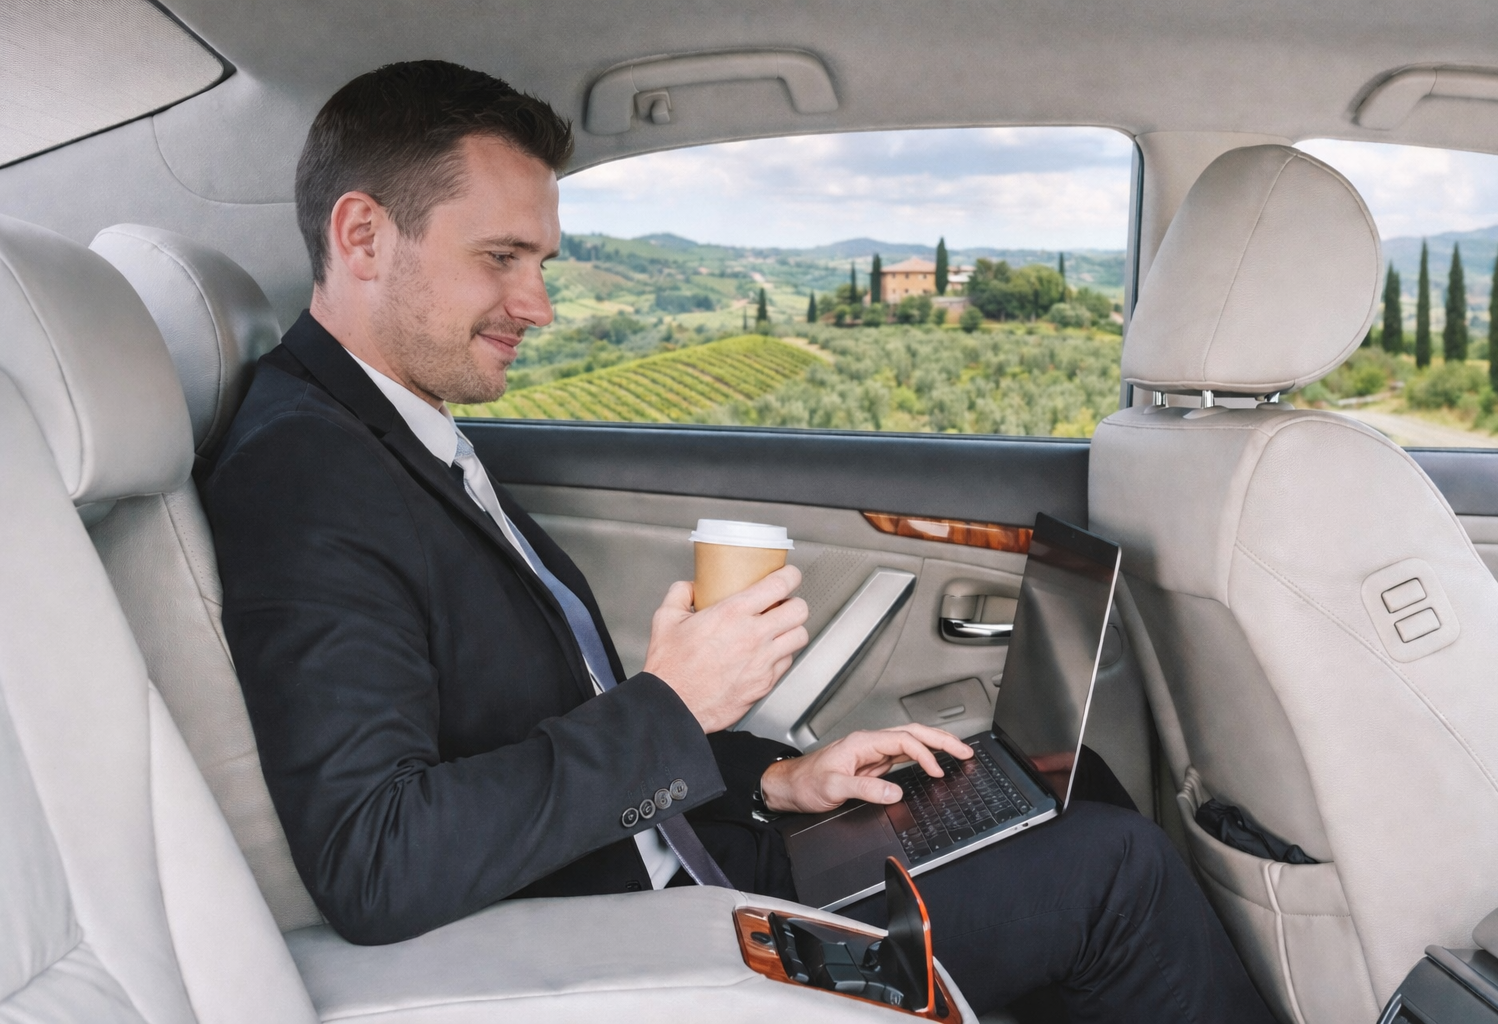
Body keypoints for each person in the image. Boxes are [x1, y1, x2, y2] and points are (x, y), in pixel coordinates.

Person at [203, 60, 1275, 1022]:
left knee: (1067, 782)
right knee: (1115, 872)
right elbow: (375, 859)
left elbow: (518, 721)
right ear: (361, 236)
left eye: (544, 260)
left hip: (693, 852)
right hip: (631, 934)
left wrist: (780, 783)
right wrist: (671, 708)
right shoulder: (309, 470)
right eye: (501, 257)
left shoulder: (404, 427)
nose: (538, 302)